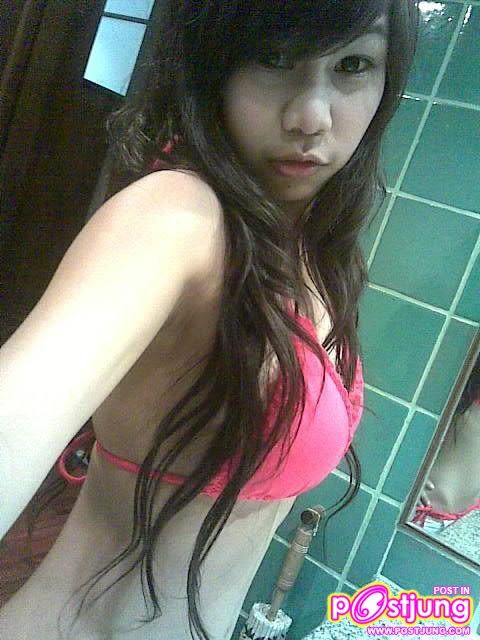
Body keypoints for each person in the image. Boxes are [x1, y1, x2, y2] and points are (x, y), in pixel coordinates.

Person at [0, 1, 419, 638]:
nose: (311, 116)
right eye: (274, 58)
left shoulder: (309, 251)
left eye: (353, 65)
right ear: (216, 65)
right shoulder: (176, 215)